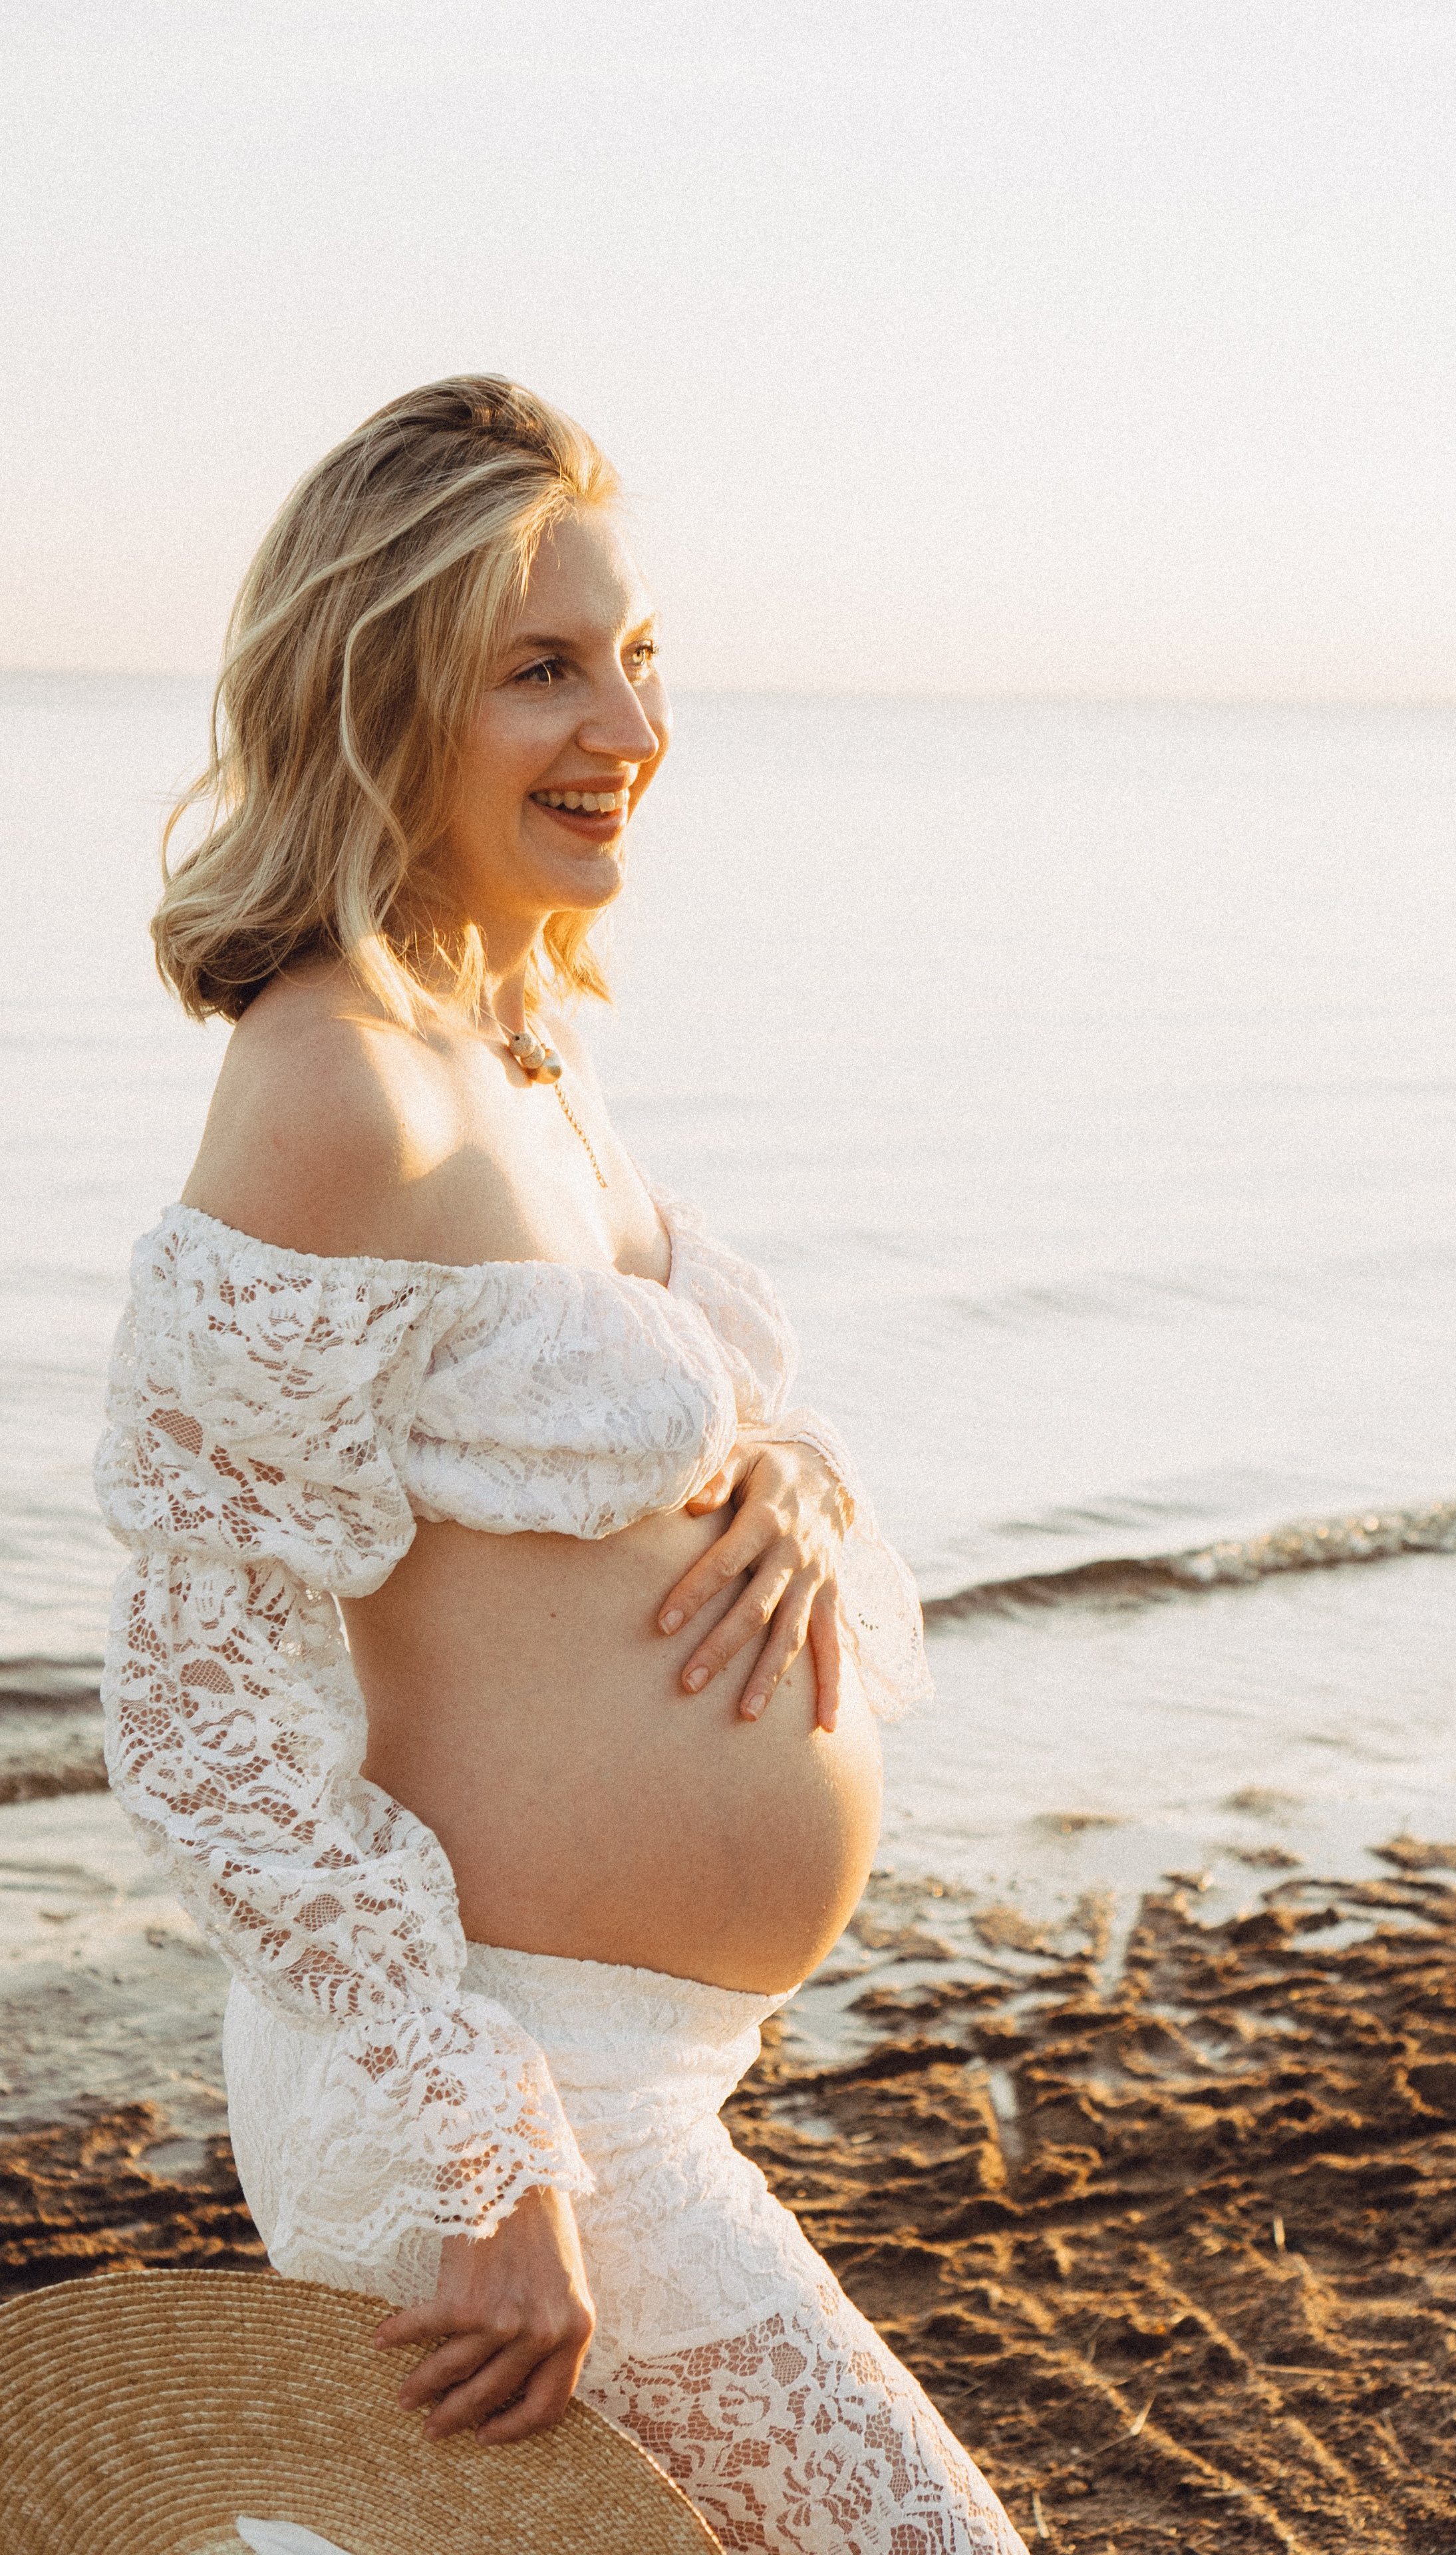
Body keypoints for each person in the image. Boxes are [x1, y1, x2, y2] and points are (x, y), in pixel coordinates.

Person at [94, 377, 1022, 2552]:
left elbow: (623, 1431)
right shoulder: (334, 1083)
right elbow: (206, 1703)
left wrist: (790, 1479)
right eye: (543, 667)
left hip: (625, 2084)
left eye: (637, 654)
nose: (629, 717)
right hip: (507, 2106)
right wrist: (481, 2156)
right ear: (381, 699)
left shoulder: (518, 1044)